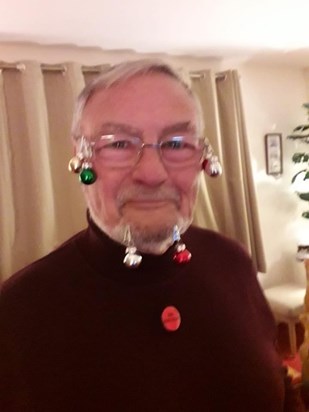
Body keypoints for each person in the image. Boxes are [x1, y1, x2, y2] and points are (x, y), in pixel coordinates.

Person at [0, 59, 304, 411]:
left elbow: (280, 387)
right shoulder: (17, 315)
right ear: (81, 158)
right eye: (118, 144)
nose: (151, 173)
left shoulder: (232, 260)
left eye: (176, 143)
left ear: (202, 159)